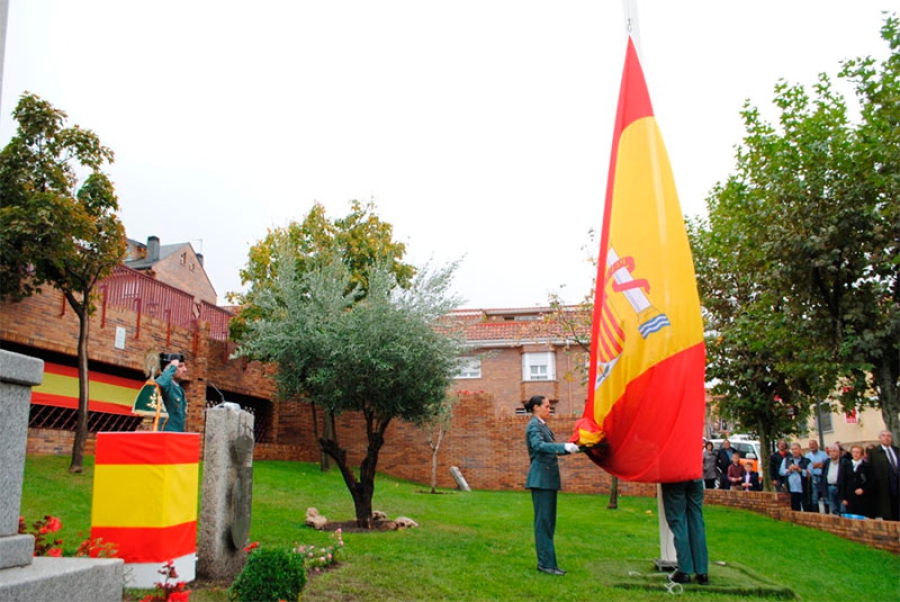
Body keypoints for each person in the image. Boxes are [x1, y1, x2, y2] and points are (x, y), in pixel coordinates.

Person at [523, 395, 579, 576]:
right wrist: (563, 446)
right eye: (546, 406)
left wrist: (573, 447)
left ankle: (550, 563)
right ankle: (546, 564)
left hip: (547, 480)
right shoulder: (534, 425)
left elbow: (550, 448)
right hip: (541, 480)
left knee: (549, 523)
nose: (550, 409)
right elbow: (538, 446)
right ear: (536, 408)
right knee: (544, 523)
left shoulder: (542, 425)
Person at [661, 479, 710, 586]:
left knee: (678, 520)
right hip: (696, 474)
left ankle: (684, 570)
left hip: (676, 475)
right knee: (696, 519)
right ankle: (702, 572)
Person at [867, 430, 900, 521]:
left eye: (888, 436)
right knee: (887, 513)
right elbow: (870, 471)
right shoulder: (873, 453)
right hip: (883, 488)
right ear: (879, 438)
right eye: (883, 436)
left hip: (897, 487)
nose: (886, 438)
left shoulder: (896, 450)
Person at [156, 353, 188, 432]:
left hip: (177, 435)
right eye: (180, 366)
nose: (185, 370)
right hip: (165, 435)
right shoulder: (167, 385)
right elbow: (161, 383)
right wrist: (172, 366)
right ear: (168, 368)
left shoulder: (180, 390)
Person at [841, 444, 872, 518]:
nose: (855, 454)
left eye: (857, 452)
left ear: (861, 454)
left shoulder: (867, 466)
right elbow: (843, 481)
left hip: (863, 497)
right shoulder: (846, 465)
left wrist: (863, 489)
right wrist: (844, 498)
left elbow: (871, 481)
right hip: (850, 497)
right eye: (853, 452)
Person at [780, 443, 812, 511]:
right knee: (795, 509)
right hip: (791, 489)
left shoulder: (806, 461)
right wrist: (789, 470)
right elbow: (781, 472)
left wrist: (799, 469)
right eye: (792, 449)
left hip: (804, 489)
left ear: (800, 450)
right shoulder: (786, 460)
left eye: (796, 449)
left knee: (807, 509)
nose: (794, 451)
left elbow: (810, 473)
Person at [821, 444, 850, 516]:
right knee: (833, 509)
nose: (831, 453)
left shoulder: (845, 462)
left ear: (838, 452)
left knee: (843, 510)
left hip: (841, 488)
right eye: (830, 451)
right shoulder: (827, 462)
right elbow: (823, 476)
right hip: (830, 487)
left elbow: (848, 478)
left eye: (833, 451)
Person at [805, 439, 828, 513]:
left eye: (813, 444)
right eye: (810, 445)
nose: (812, 446)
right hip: (813, 477)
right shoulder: (807, 456)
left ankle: (827, 513)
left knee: (825, 496)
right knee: (814, 496)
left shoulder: (823, 454)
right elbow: (808, 467)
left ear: (817, 445)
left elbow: (825, 465)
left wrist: (816, 465)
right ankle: (817, 513)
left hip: (822, 476)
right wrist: (818, 464)